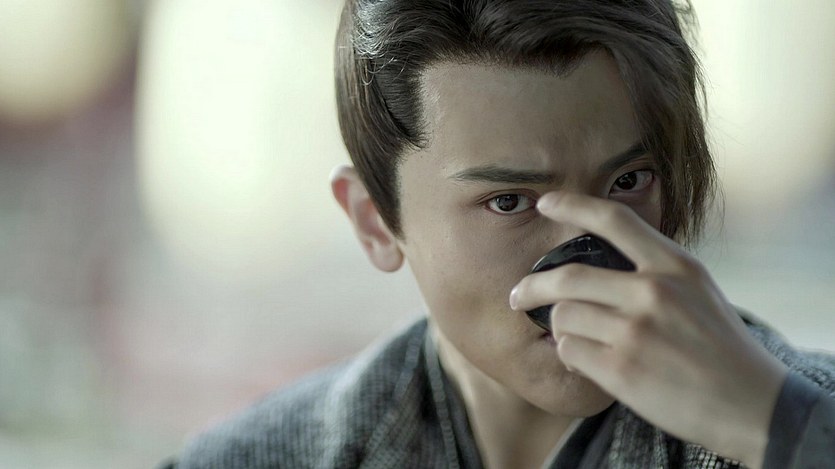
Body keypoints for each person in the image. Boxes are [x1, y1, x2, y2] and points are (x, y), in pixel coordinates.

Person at [166, 0, 835, 467]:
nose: (584, 258)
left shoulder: (804, 415)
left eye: (628, 182)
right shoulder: (257, 457)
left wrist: (780, 427)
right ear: (375, 221)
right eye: (509, 201)